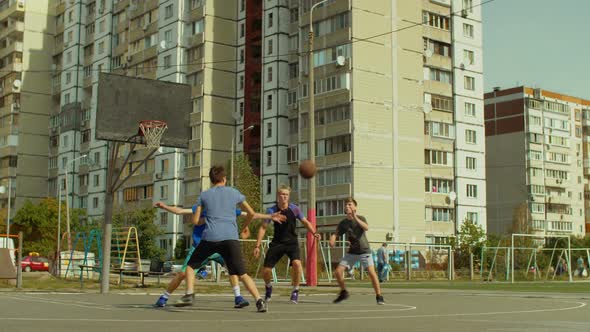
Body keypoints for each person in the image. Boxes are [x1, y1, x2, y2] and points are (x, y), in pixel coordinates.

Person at [153, 202, 285, 308]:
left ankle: (239, 297)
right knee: (183, 273)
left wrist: (269, 216)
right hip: (201, 247)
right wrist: (165, 207)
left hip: (219, 247)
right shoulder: (201, 207)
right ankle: (164, 297)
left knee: (234, 270)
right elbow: (180, 211)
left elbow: (249, 214)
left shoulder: (226, 210)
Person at [178, 165, 268, 312]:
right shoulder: (234, 193)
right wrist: (244, 227)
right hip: (230, 238)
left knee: (190, 267)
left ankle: (189, 294)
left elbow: (195, 221)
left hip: (210, 238)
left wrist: (204, 219)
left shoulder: (204, 195)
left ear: (211, 180)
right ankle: (259, 301)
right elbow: (251, 213)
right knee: (242, 273)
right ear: (224, 179)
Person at [253, 185, 319, 304]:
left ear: (288, 196)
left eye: (286, 194)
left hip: (291, 242)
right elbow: (263, 228)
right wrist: (257, 246)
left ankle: (295, 291)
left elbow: (305, 222)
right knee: (266, 271)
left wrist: (314, 233)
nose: (284, 196)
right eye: (282, 194)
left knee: (297, 264)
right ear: (278, 196)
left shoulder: (295, 209)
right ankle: (268, 287)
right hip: (277, 242)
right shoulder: (271, 211)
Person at [329, 197, 384, 305]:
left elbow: (366, 227)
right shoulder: (343, 223)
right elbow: (337, 233)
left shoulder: (361, 218)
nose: (347, 206)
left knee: (372, 273)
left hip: (364, 250)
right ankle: (344, 292)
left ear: (355, 207)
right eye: (346, 205)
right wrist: (333, 237)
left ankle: (379, 295)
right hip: (352, 252)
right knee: (338, 272)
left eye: (350, 204)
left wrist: (355, 217)